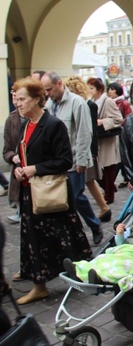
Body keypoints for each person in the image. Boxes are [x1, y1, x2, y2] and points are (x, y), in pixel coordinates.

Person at [13, 77, 92, 304]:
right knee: (34, 239)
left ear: (38, 99)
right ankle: (39, 284)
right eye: (16, 99)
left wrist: (33, 169)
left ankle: (80, 274)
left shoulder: (53, 124)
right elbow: (24, 155)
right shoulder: (26, 124)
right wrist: (20, 169)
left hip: (51, 191)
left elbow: (64, 160)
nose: (18, 103)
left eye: (22, 99)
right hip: (31, 192)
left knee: (64, 235)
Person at [41, 71, 103, 245]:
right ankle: (70, 234)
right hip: (56, 161)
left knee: (76, 197)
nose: (47, 93)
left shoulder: (77, 103)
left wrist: (82, 160)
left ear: (59, 84)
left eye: (49, 89)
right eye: (45, 90)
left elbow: (84, 132)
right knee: (61, 200)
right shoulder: (49, 104)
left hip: (75, 159)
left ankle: (94, 225)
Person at [64, 197, 133, 287]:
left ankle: (98, 277)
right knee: (104, 258)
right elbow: (120, 244)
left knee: (121, 264)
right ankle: (79, 271)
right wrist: (120, 234)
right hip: (126, 250)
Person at [65, 76, 111, 223]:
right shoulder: (74, 104)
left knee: (88, 181)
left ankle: (104, 208)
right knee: (89, 181)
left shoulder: (87, 104)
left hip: (87, 151)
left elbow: (90, 130)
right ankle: (104, 208)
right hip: (81, 151)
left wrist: (91, 152)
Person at [87, 77, 124, 205]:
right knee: (95, 167)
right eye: (89, 88)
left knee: (108, 167)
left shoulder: (107, 101)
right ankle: (109, 188)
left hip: (107, 138)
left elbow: (118, 119)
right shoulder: (91, 101)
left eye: (92, 88)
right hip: (97, 138)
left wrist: (102, 121)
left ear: (99, 89)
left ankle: (109, 194)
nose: (90, 91)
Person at [3, 88, 25, 224]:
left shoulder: (41, 117)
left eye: (19, 98)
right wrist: (13, 157)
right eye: (14, 97)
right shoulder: (11, 119)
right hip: (19, 169)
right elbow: (6, 150)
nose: (16, 102)